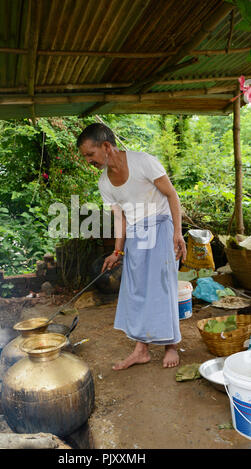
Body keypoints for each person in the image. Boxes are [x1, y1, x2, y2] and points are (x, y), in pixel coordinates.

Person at [77, 123, 186, 370]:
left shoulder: (143, 162)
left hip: (161, 226)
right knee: (136, 289)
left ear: (106, 146)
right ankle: (141, 350)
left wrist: (177, 233)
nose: (88, 161)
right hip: (136, 233)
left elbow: (172, 195)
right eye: (85, 157)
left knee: (162, 285)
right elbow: (120, 219)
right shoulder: (105, 183)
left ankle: (170, 346)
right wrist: (117, 251)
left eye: (89, 154)